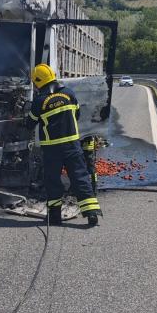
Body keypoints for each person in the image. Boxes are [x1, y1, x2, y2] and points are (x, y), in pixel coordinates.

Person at [26, 64, 102, 226]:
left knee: (53, 181)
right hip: (72, 146)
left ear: (38, 81)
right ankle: (92, 213)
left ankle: (54, 217)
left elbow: (29, 124)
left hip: (52, 149)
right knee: (80, 177)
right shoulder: (69, 94)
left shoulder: (39, 101)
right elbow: (77, 114)